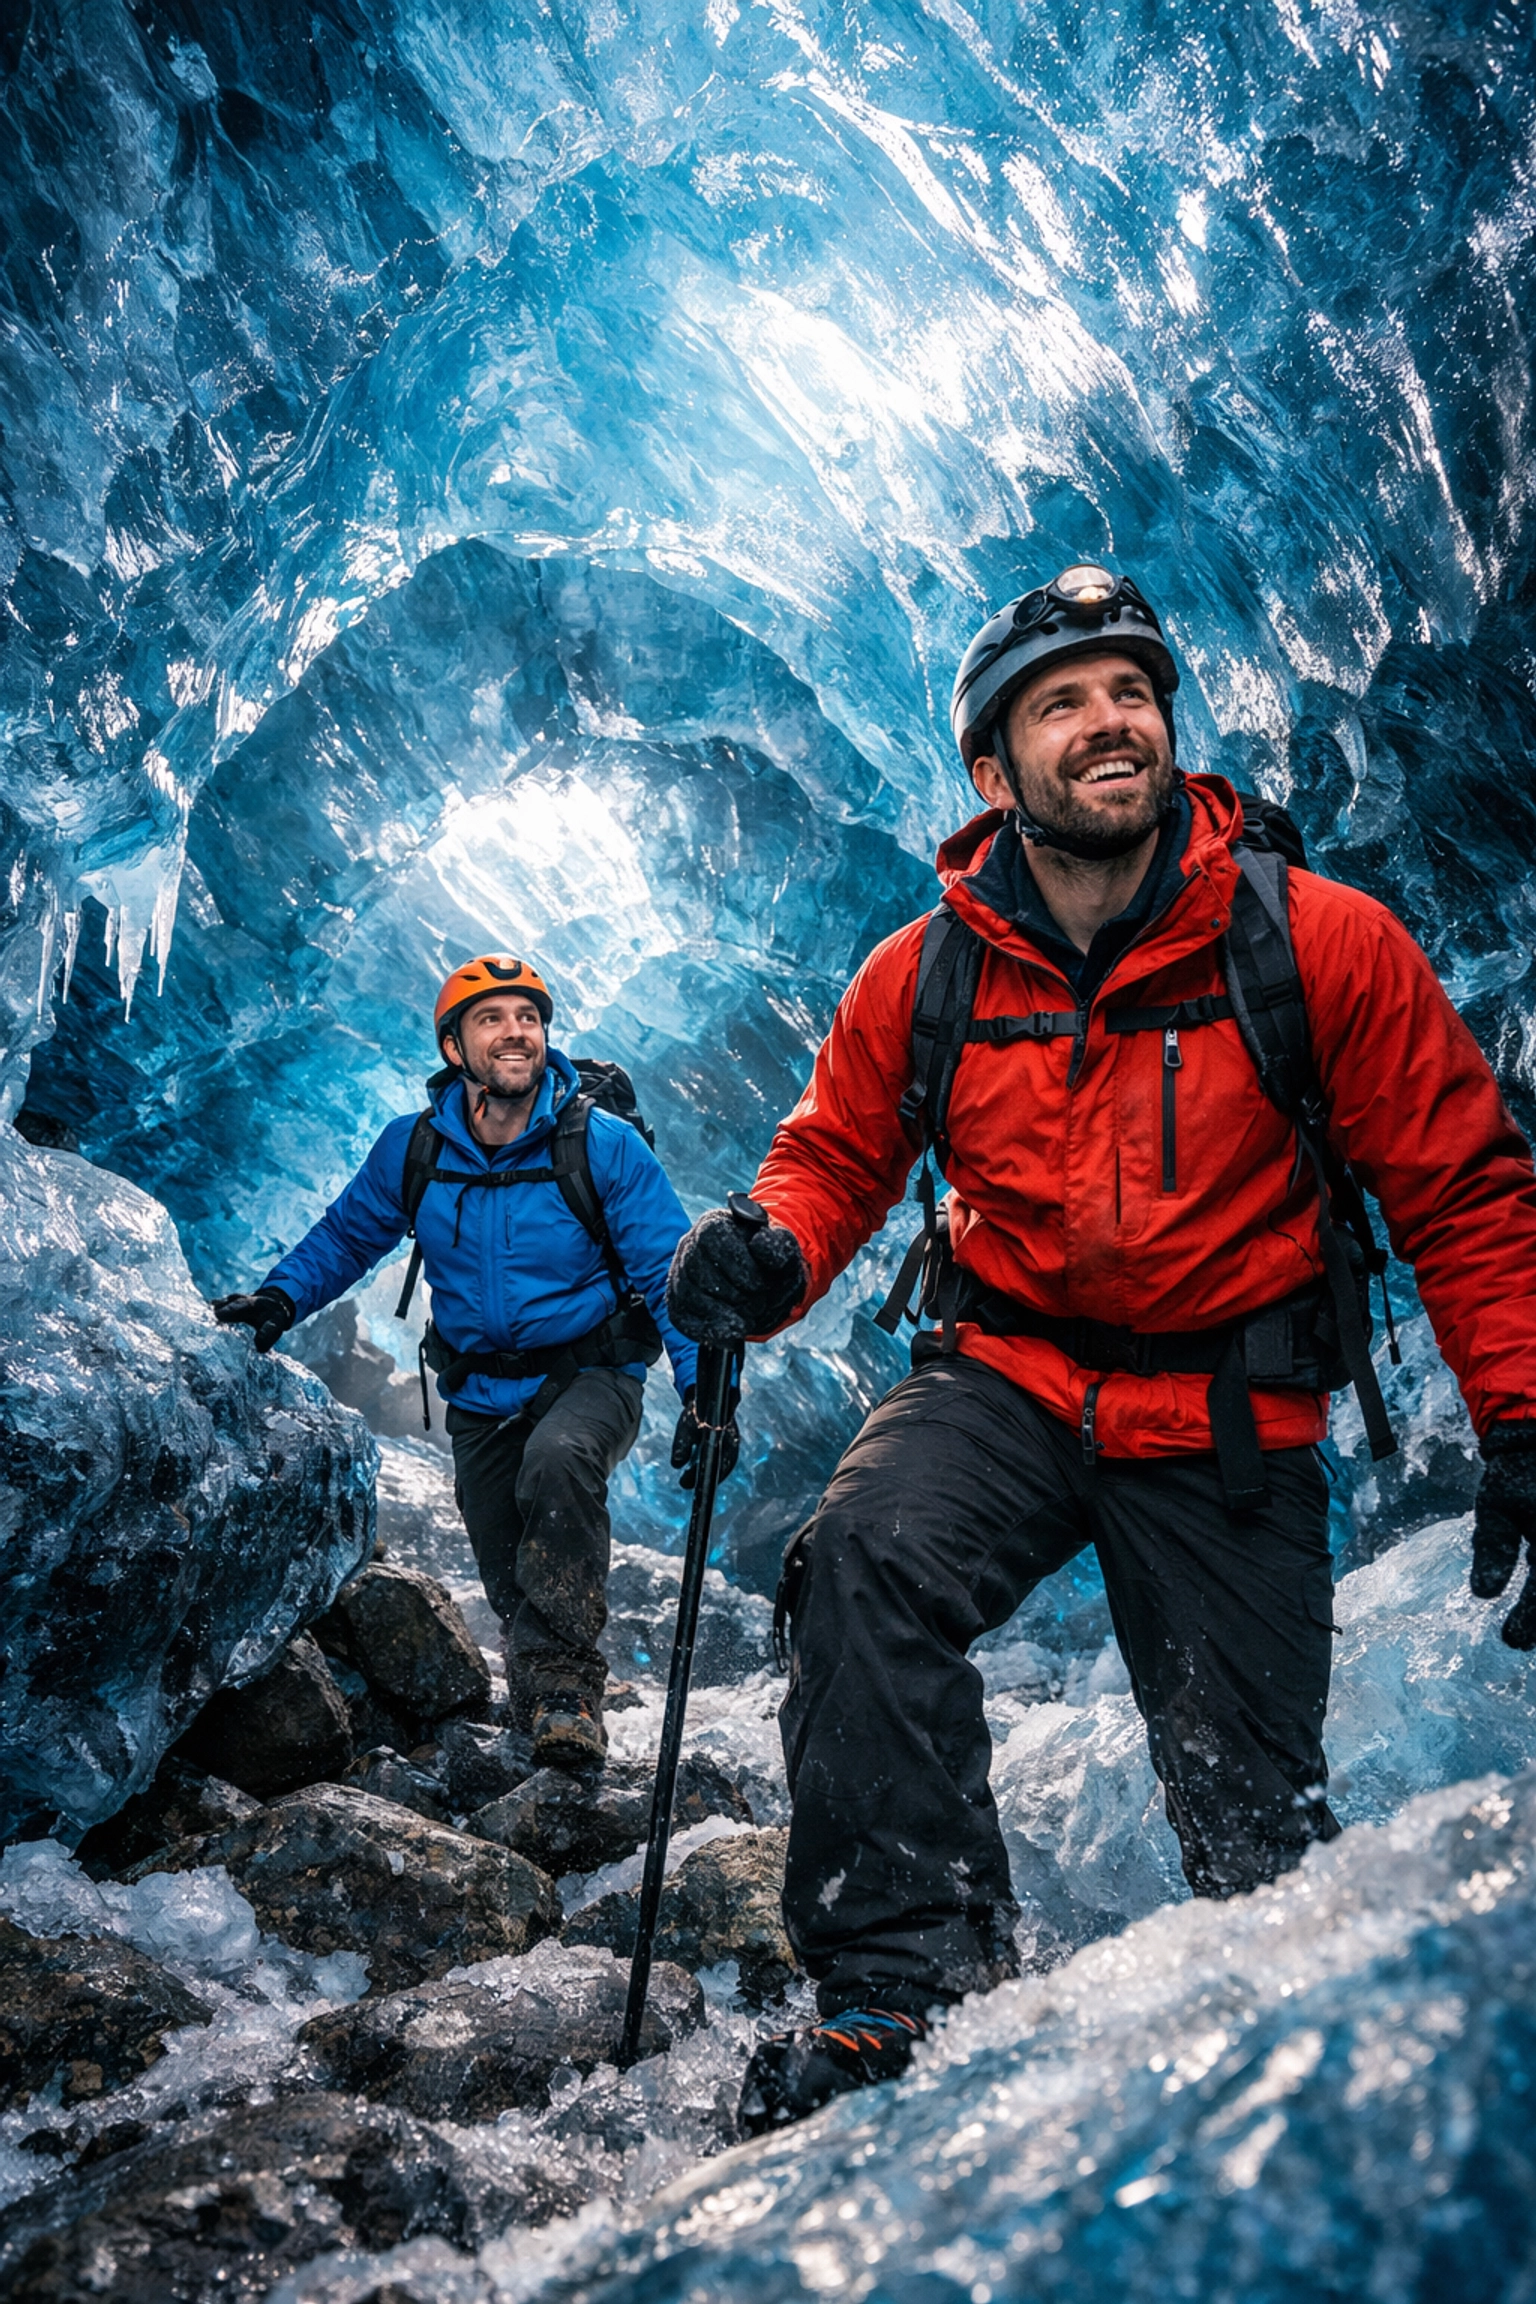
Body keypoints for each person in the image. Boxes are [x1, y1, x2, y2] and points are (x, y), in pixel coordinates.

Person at [666, 563, 1536, 2133]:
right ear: (996, 774)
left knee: (1259, 1836)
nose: (1109, 722)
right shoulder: (925, 972)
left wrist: (1527, 1416)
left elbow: (1463, 1185)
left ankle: (1276, 2085)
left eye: (1130, 691)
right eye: (1061, 704)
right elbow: (836, 1156)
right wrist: (769, 1251)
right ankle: (903, 1995)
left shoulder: (1315, 943)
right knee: (859, 1552)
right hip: (1005, 1375)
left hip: (1230, 1408)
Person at [213, 954, 718, 1769]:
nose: (515, 1032)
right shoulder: (416, 1148)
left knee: (558, 1463)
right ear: (456, 1048)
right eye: (492, 1019)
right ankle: (539, 1707)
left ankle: (567, 1696)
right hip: (481, 1387)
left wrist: (703, 1394)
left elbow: (669, 1274)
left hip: (592, 1372)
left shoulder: (603, 1145)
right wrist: (278, 1301)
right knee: (502, 1547)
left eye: (528, 1017)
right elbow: (349, 1236)